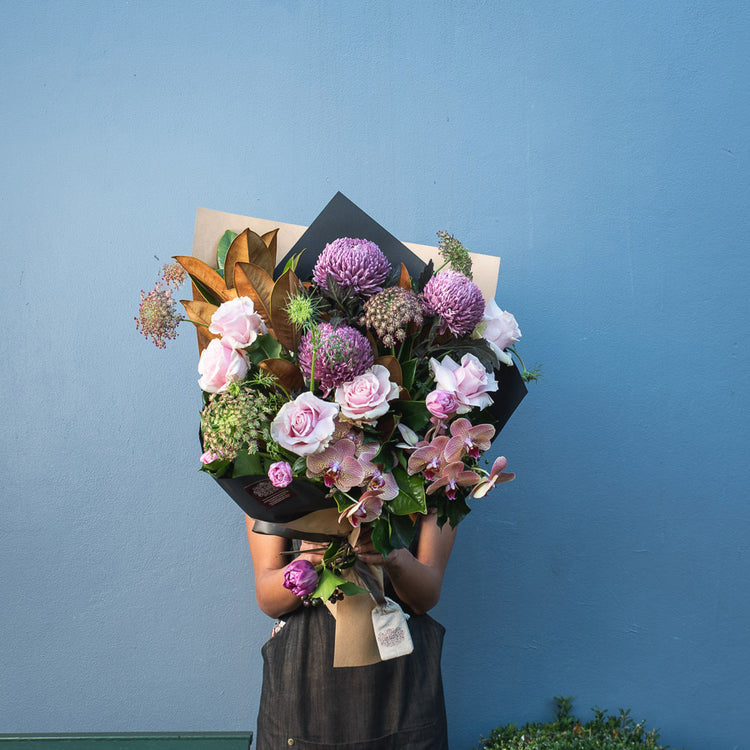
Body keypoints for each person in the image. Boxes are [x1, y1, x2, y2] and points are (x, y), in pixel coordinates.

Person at [246, 509, 457, 750]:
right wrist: (308, 559)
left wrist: (395, 556)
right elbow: (268, 599)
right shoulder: (273, 485)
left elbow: (426, 597)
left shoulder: (437, 477)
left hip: (401, 687)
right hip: (304, 682)